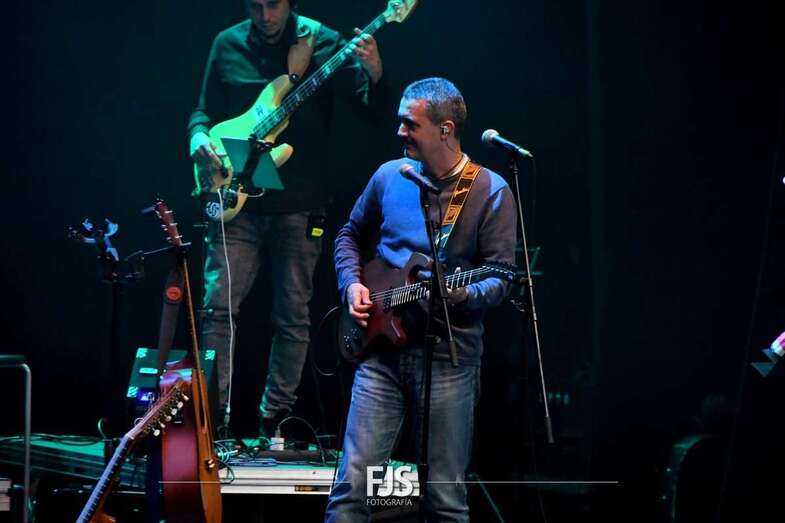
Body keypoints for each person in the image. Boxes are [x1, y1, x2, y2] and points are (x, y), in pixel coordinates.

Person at [188, 0, 389, 437]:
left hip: (299, 202)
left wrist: (374, 72)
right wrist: (198, 137)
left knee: (293, 317)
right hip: (234, 197)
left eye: (274, 5)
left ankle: (275, 421)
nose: (266, 16)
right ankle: (211, 422)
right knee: (217, 310)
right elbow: (203, 112)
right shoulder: (227, 43)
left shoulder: (324, 42)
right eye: (256, 6)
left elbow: (374, 114)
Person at [326, 77, 517, 521]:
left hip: (449, 356)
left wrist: (462, 293)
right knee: (352, 491)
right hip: (380, 355)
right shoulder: (389, 176)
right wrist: (351, 284)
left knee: (443, 501)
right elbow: (349, 235)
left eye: (410, 124)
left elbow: (501, 278)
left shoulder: (489, 191)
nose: (400, 132)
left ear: (445, 129)